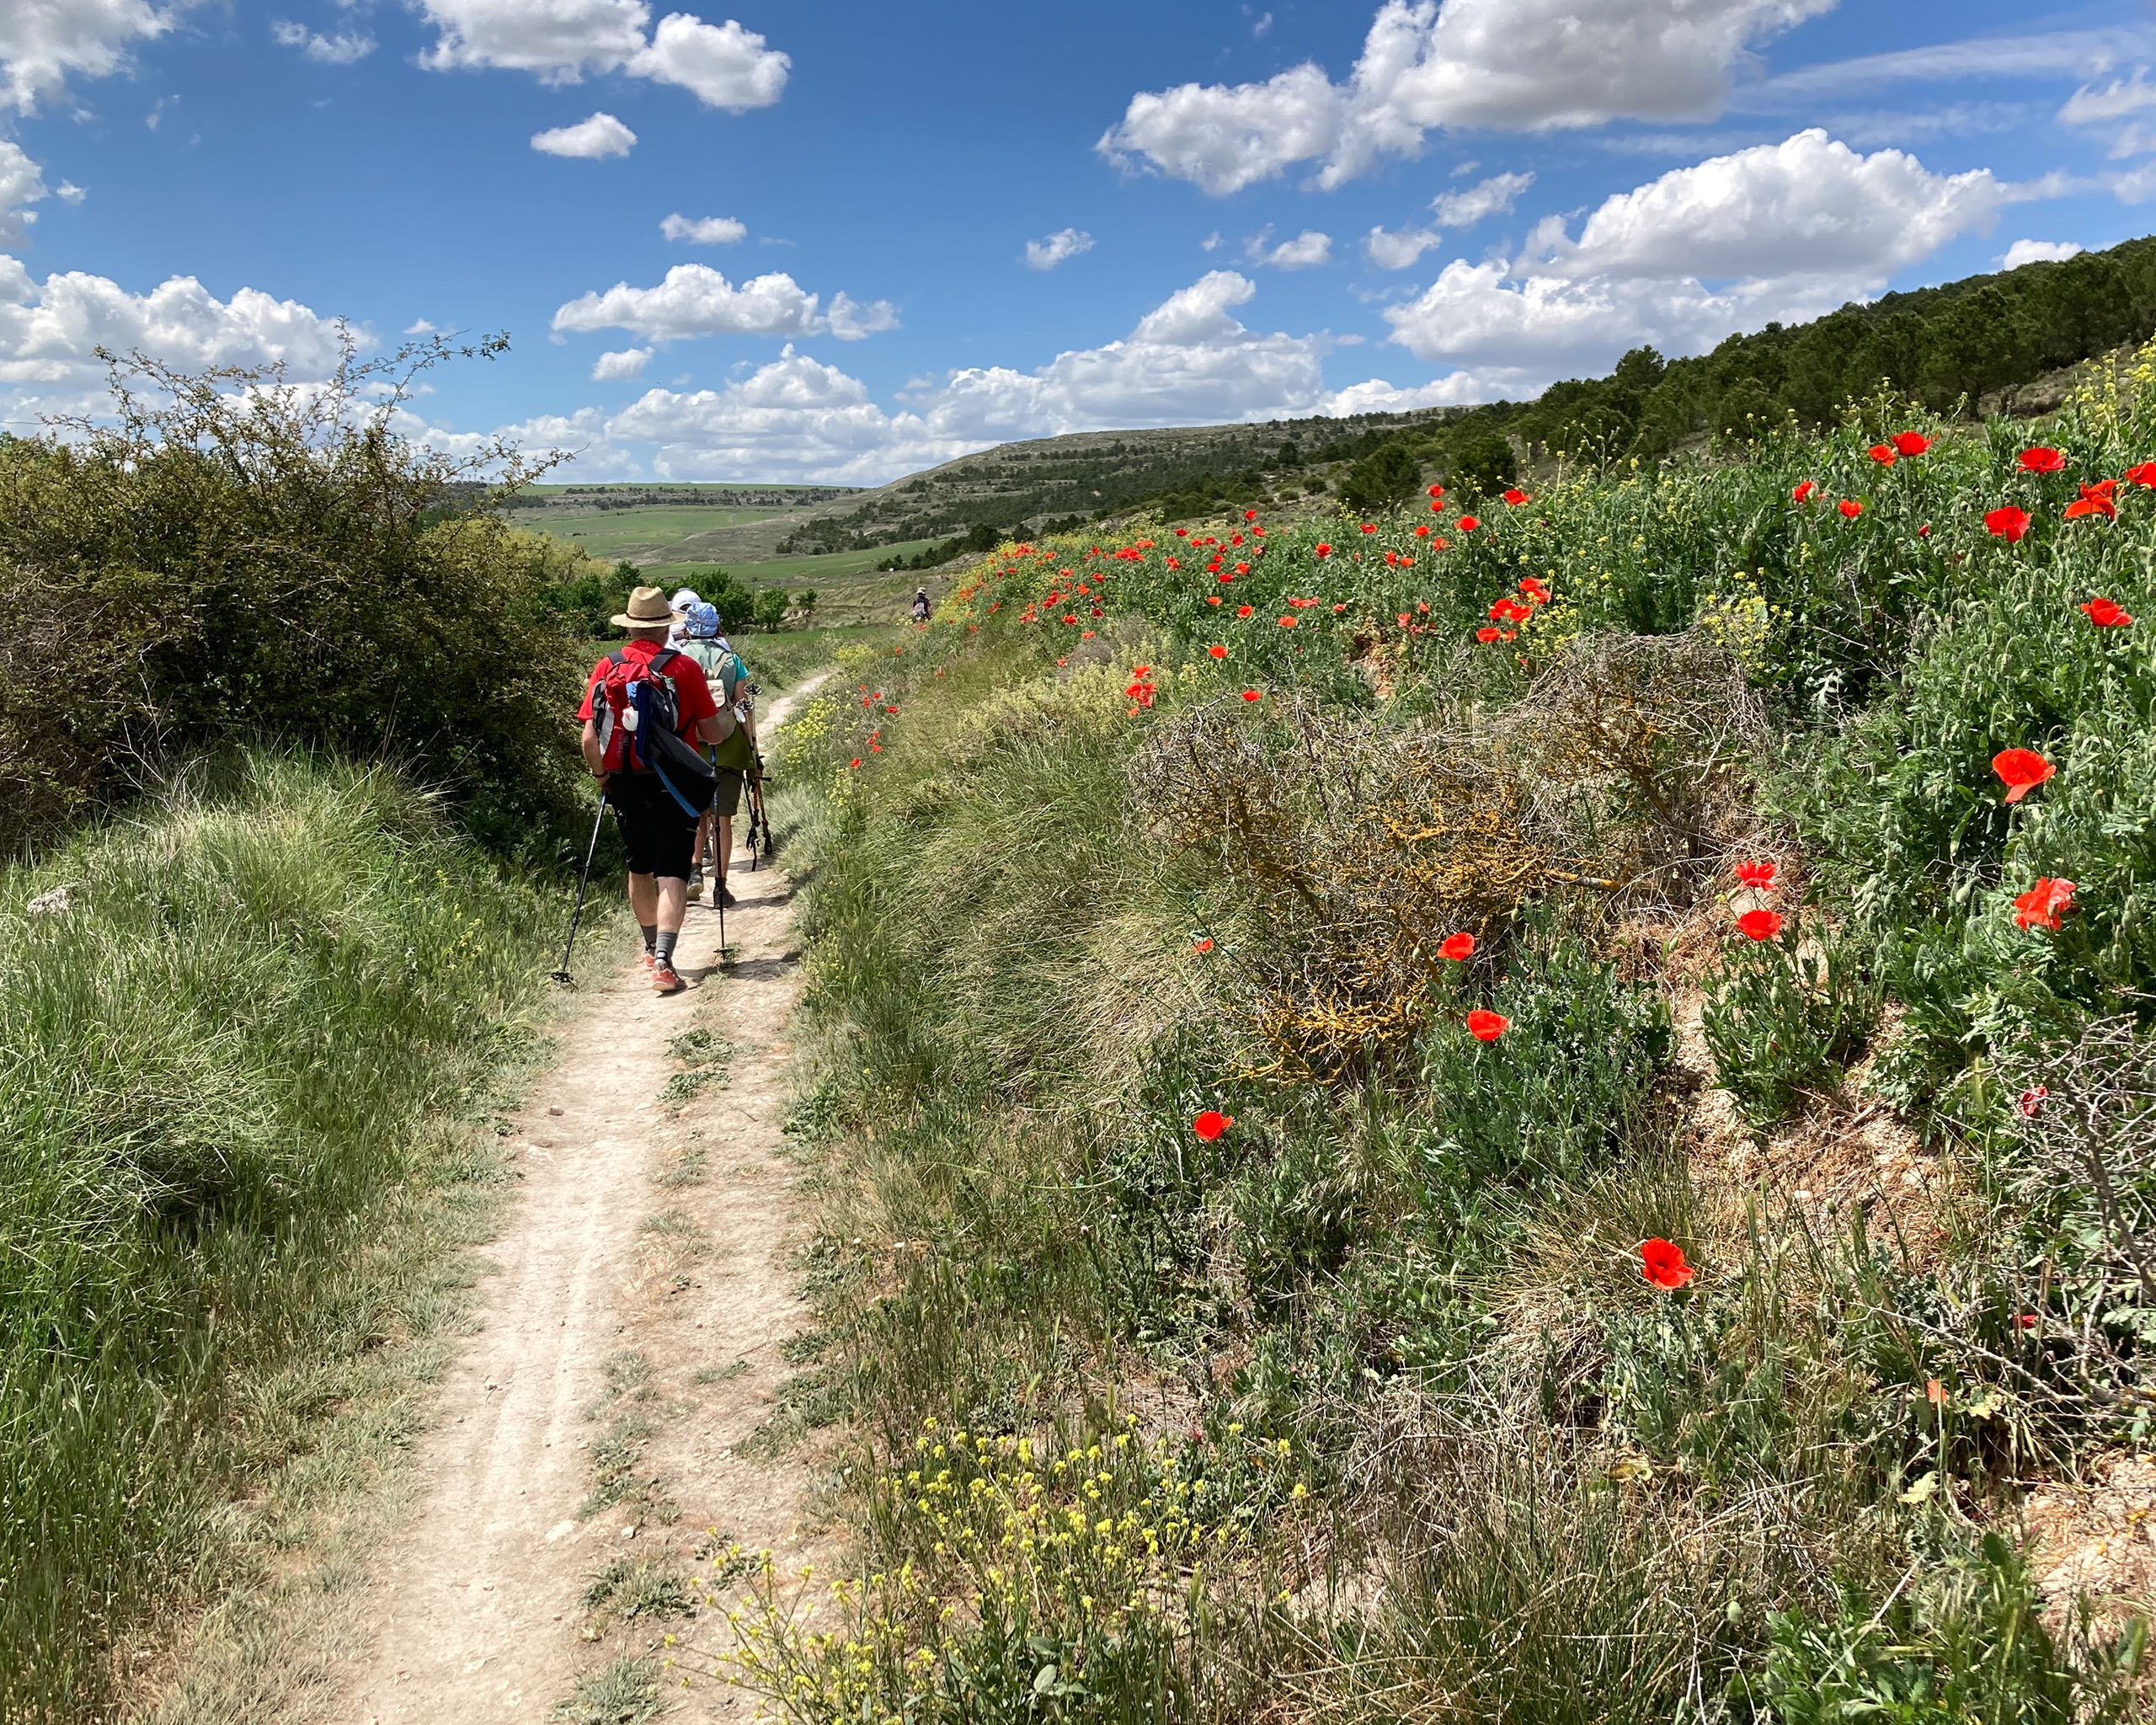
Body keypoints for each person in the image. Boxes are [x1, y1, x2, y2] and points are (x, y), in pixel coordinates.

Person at [577, 585, 734, 995]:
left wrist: (602, 779)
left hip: (623, 780)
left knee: (639, 868)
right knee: (672, 871)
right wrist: (730, 716)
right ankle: (664, 960)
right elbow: (712, 734)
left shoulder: (606, 667)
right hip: (672, 781)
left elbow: (589, 739)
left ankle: (650, 946)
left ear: (630, 628)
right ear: (667, 626)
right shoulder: (682, 669)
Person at [675, 601, 758, 906]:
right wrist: (752, 751)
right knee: (723, 820)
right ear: (716, 627)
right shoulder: (732, 660)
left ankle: (695, 871)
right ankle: (721, 888)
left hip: (688, 747)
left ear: (689, 627)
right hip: (727, 746)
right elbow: (742, 706)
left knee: (697, 814)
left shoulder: (678, 659)